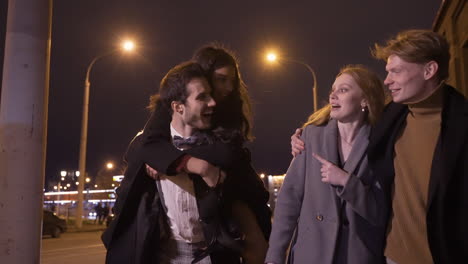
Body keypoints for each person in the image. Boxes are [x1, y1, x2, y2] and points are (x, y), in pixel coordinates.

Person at [103, 45, 270, 264]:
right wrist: (174, 161)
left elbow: (228, 153)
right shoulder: (171, 108)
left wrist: (173, 161)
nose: (229, 87)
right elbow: (143, 146)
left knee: (253, 230)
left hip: (226, 205)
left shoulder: (227, 108)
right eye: (221, 79)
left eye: (233, 80)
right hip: (171, 247)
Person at [265, 65, 387, 264]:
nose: (333, 96)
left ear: (365, 99)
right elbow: (289, 201)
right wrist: (274, 257)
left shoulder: (380, 144)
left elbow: (381, 213)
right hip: (310, 255)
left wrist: (347, 182)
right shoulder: (311, 137)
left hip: (358, 256)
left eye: (343, 90)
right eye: (333, 90)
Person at [368, 29, 468, 264]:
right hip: (392, 256)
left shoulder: (462, 125)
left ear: (429, 70)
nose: (387, 81)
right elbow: (346, 122)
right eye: (387, 72)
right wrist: (305, 135)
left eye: (396, 71)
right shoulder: (389, 118)